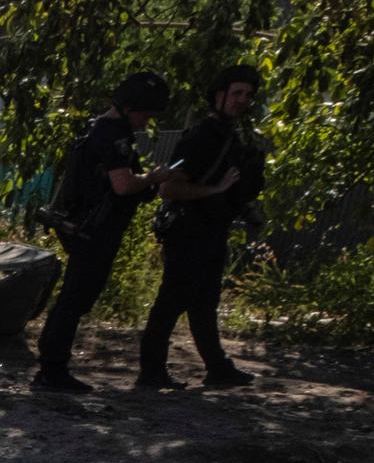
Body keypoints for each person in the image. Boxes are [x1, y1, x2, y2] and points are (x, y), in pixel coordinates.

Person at [31, 74, 170, 394]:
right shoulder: (114, 136)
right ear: (129, 108)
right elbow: (122, 185)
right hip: (95, 229)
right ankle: (52, 369)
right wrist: (154, 177)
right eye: (145, 114)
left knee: (74, 297)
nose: (145, 122)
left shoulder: (97, 129)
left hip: (84, 225)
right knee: (76, 297)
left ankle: (51, 364)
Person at [135, 65, 262, 391]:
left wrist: (242, 206)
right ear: (219, 95)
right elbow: (170, 190)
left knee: (205, 302)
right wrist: (215, 191)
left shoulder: (231, 137)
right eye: (237, 93)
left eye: (247, 95)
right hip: (188, 231)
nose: (242, 100)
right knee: (171, 301)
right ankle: (151, 372)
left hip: (213, 230)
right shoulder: (201, 137)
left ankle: (218, 368)